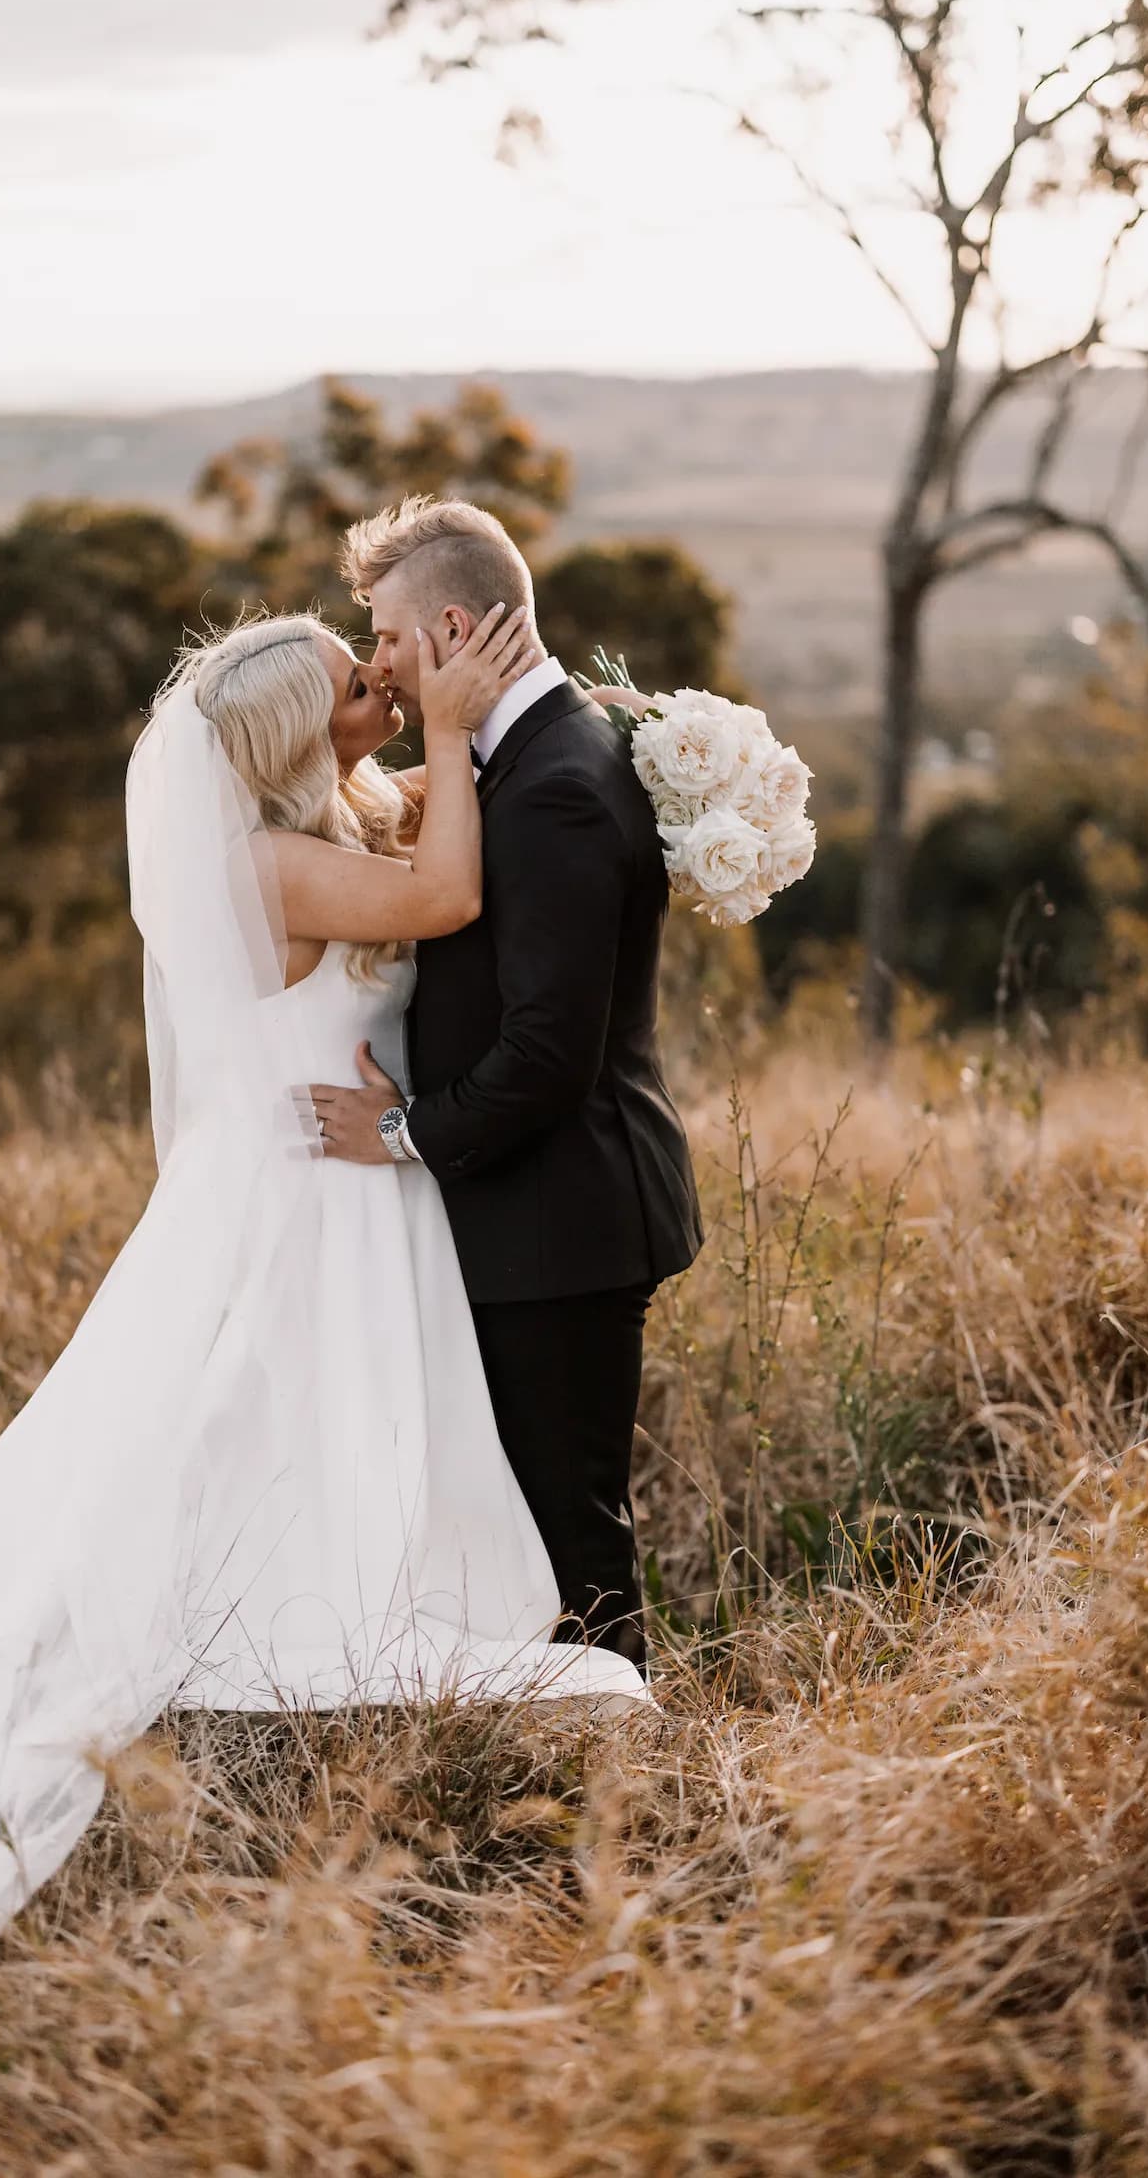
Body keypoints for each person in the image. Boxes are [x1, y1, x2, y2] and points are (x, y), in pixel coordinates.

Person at [0, 602, 649, 1962]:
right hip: (308, 1195)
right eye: (354, 690)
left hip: (363, 1186)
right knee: (243, 1432)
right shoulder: (269, 865)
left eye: (367, 667)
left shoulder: (344, 820)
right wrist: (444, 720)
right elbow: (445, 899)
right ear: (295, 747)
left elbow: (462, 828)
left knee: (301, 1424)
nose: (377, 683)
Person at [310, 497, 703, 1673]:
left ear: (448, 625)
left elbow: (547, 1053)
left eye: (381, 633)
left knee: (570, 1529)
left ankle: (625, 1782)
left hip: (561, 1223)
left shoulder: (554, 787)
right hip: (531, 1216)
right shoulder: (527, 753)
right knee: (532, 1522)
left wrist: (401, 1131)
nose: (376, 660)